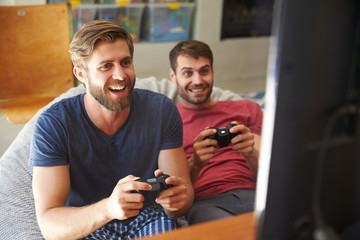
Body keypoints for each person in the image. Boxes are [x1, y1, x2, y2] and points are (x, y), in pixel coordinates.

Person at [29, 20, 194, 240]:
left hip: (149, 218)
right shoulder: (54, 124)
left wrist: (176, 202)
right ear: (81, 74)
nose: (120, 75)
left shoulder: (162, 110)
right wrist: (108, 208)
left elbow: (184, 195)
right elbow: (50, 225)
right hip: (87, 223)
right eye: (106, 66)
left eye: (125, 62)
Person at [169, 40, 262, 225]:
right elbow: (175, 190)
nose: (197, 81)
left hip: (256, 196)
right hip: (208, 204)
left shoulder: (247, 109)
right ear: (173, 76)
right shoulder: (168, 121)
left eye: (204, 71)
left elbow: (269, 174)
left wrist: (249, 152)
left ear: (212, 70)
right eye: (188, 73)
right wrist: (195, 162)